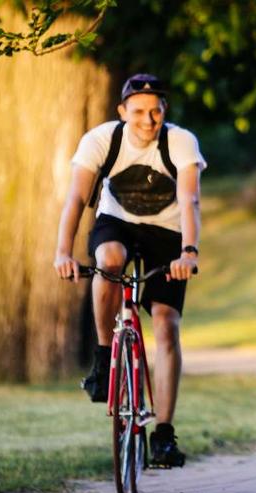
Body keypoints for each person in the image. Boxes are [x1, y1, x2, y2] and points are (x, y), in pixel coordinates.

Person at [53, 73, 206, 468]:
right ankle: (105, 358)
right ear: (122, 112)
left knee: (166, 322)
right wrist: (63, 252)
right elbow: (75, 197)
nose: (148, 119)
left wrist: (188, 252)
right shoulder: (101, 140)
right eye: (138, 111)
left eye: (156, 111)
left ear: (164, 112)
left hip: (168, 230)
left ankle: (164, 436)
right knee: (109, 261)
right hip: (116, 221)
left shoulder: (181, 141)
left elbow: (189, 200)